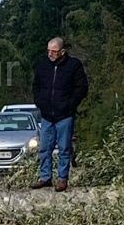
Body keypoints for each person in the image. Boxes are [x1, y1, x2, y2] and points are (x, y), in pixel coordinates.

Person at [31, 37, 88, 192]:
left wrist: (70, 105)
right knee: (44, 148)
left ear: (62, 51)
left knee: (64, 148)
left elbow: (82, 88)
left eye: (54, 51)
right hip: (47, 114)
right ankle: (45, 177)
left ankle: (62, 179)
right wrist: (39, 102)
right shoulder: (42, 64)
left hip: (65, 115)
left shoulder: (74, 65)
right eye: (49, 50)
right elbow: (36, 85)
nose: (50, 54)